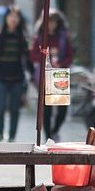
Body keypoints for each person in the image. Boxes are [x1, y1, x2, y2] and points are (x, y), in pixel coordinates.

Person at [30, 9, 74, 141]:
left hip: (59, 74)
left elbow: (70, 56)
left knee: (62, 110)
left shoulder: (63, 37)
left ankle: (55, 131)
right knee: (47, 109)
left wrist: (61, 63)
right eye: (48, 21)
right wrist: (45, 57)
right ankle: (48, 136)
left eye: (53, 21)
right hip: (45, 74)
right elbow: (32, 55)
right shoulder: (39, 37)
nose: (51, 24)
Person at [0, 7, 31, 142]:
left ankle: (12, 136)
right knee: (0, 108)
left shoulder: (22, 37)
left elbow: (27, 58)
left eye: (16, 17)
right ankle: (0, 133)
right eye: (11, 16)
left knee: (15, 109)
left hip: (17, 78)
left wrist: (32, 75)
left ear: (19, 20)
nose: (13, 19)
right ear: (6, 18)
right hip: (1, 78)